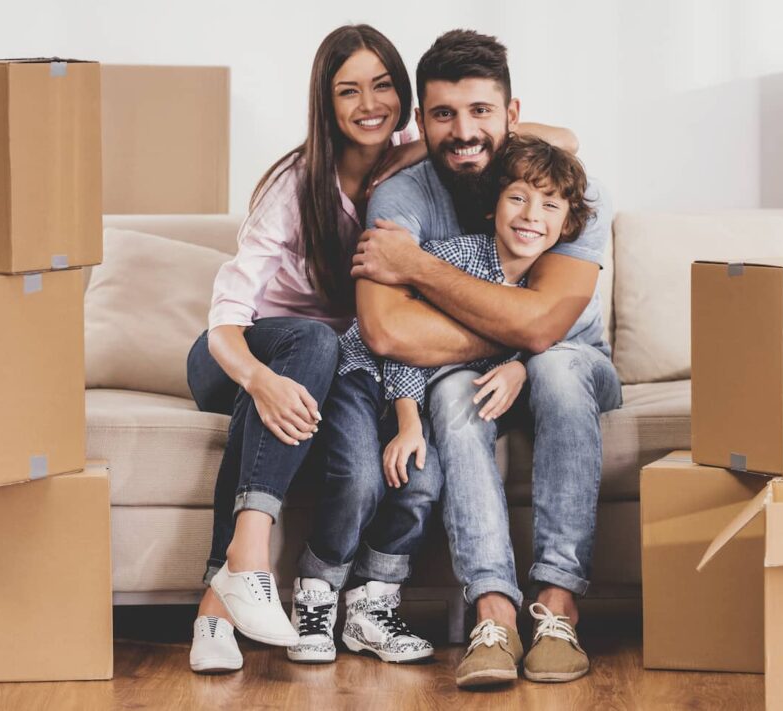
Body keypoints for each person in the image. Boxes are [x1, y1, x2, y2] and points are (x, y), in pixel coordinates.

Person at [185, 23, 574, 674]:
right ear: (326, 103)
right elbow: (225, 318)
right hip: (237, 351)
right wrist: (257, 378)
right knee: (304, 348)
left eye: (382, 86)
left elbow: (564, 142)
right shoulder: (294, 186)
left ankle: (214, 607)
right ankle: (244, 564)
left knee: (309, 376)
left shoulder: (415, 150)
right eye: (348, 91)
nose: (368, 104)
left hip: (332, 364)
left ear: (404, 98)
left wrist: (426, 146)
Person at [351, 30, 623, 688]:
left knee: (555, 367)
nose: (463, 131)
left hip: (571, 359)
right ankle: (492, 610)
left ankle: (557, 605)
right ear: (421, 120)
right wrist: (515, 329)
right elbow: (386, 331)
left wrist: (417, 267)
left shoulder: (566, 187)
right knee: (451, 395)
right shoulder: (400, 199)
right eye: (443, 114)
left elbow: (547, 325)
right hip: (465, 376)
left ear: (512, 115)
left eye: (480, 112)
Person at [288, 134, 591, 665]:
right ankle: (315, 596)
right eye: (517, 198)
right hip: (367, 374)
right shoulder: (456, 259)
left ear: (566, 224)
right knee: (361, 477)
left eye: (548, 206)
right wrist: (408, 422)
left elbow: (538, 335)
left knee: (423, 482)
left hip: (419, 392)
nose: (529, 216)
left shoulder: (535, 292)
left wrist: (520, 365)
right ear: (495, 203)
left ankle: (370, 606)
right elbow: (405, 341)